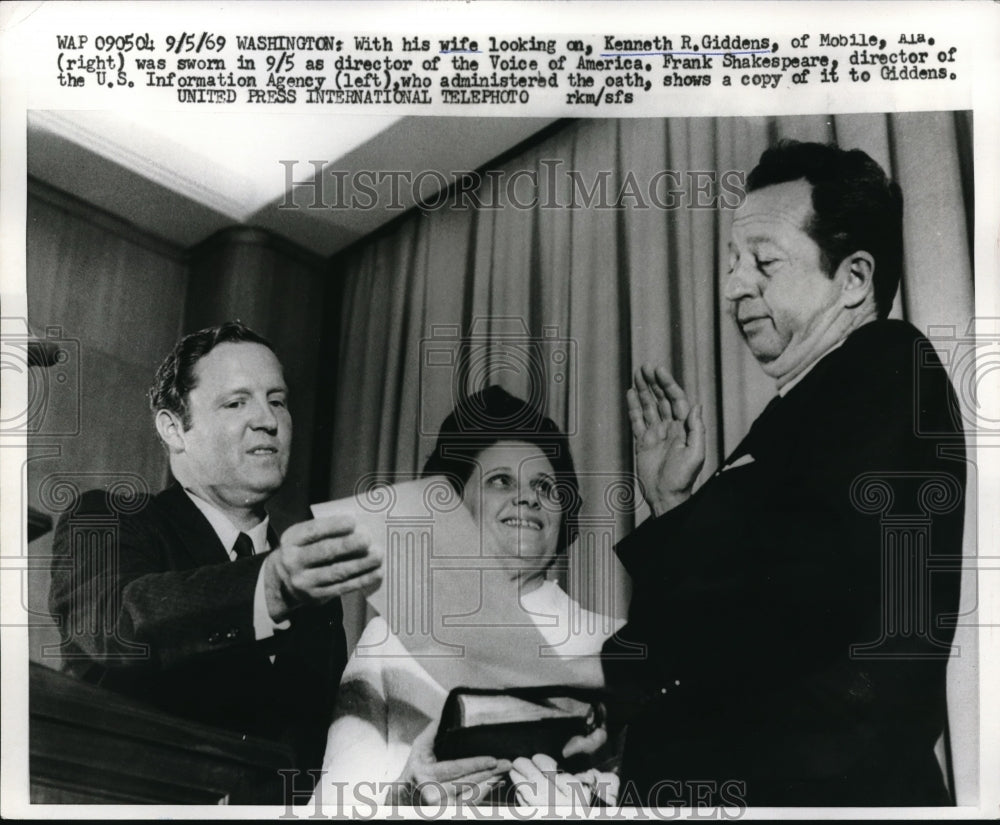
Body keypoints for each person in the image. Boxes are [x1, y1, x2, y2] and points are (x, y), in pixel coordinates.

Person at [601, 141, 966, 806]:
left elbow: (776, 616)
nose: (733, 286)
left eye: (764, 262)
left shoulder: (888, 367)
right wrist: (671, 500)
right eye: (735, 264)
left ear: (854, 278)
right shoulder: (802, 411)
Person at [48, 321, 383, 791]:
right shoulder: (108, 518)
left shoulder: (313, 584)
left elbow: (317, 750)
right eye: (236, 402)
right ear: (173, 427)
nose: (267, 419)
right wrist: (267, 586)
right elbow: (116, 625)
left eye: (278, 400)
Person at [318, 385, 624, 808]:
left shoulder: (611, 643)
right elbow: (330, 808)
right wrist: (408, 793)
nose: (528, 497)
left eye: (545, 487)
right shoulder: (390, 639)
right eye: (501, 481)